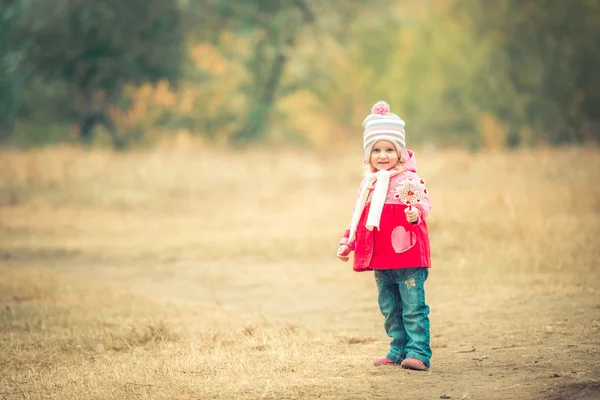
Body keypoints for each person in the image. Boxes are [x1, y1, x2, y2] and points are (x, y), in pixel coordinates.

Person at [337, 101, 432, 371]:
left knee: (413, 307)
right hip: (381, 258)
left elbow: (424, 202)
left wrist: (416, 212)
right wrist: (348, 242)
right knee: (390, 309)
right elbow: (358, 215)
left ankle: (418, 353)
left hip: (407, 254)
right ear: (368, 155)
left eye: (389, 149)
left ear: (400, 152)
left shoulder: (408, 179)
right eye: (376, 150)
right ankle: (397, 349)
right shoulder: (368, 184)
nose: (382, 155)